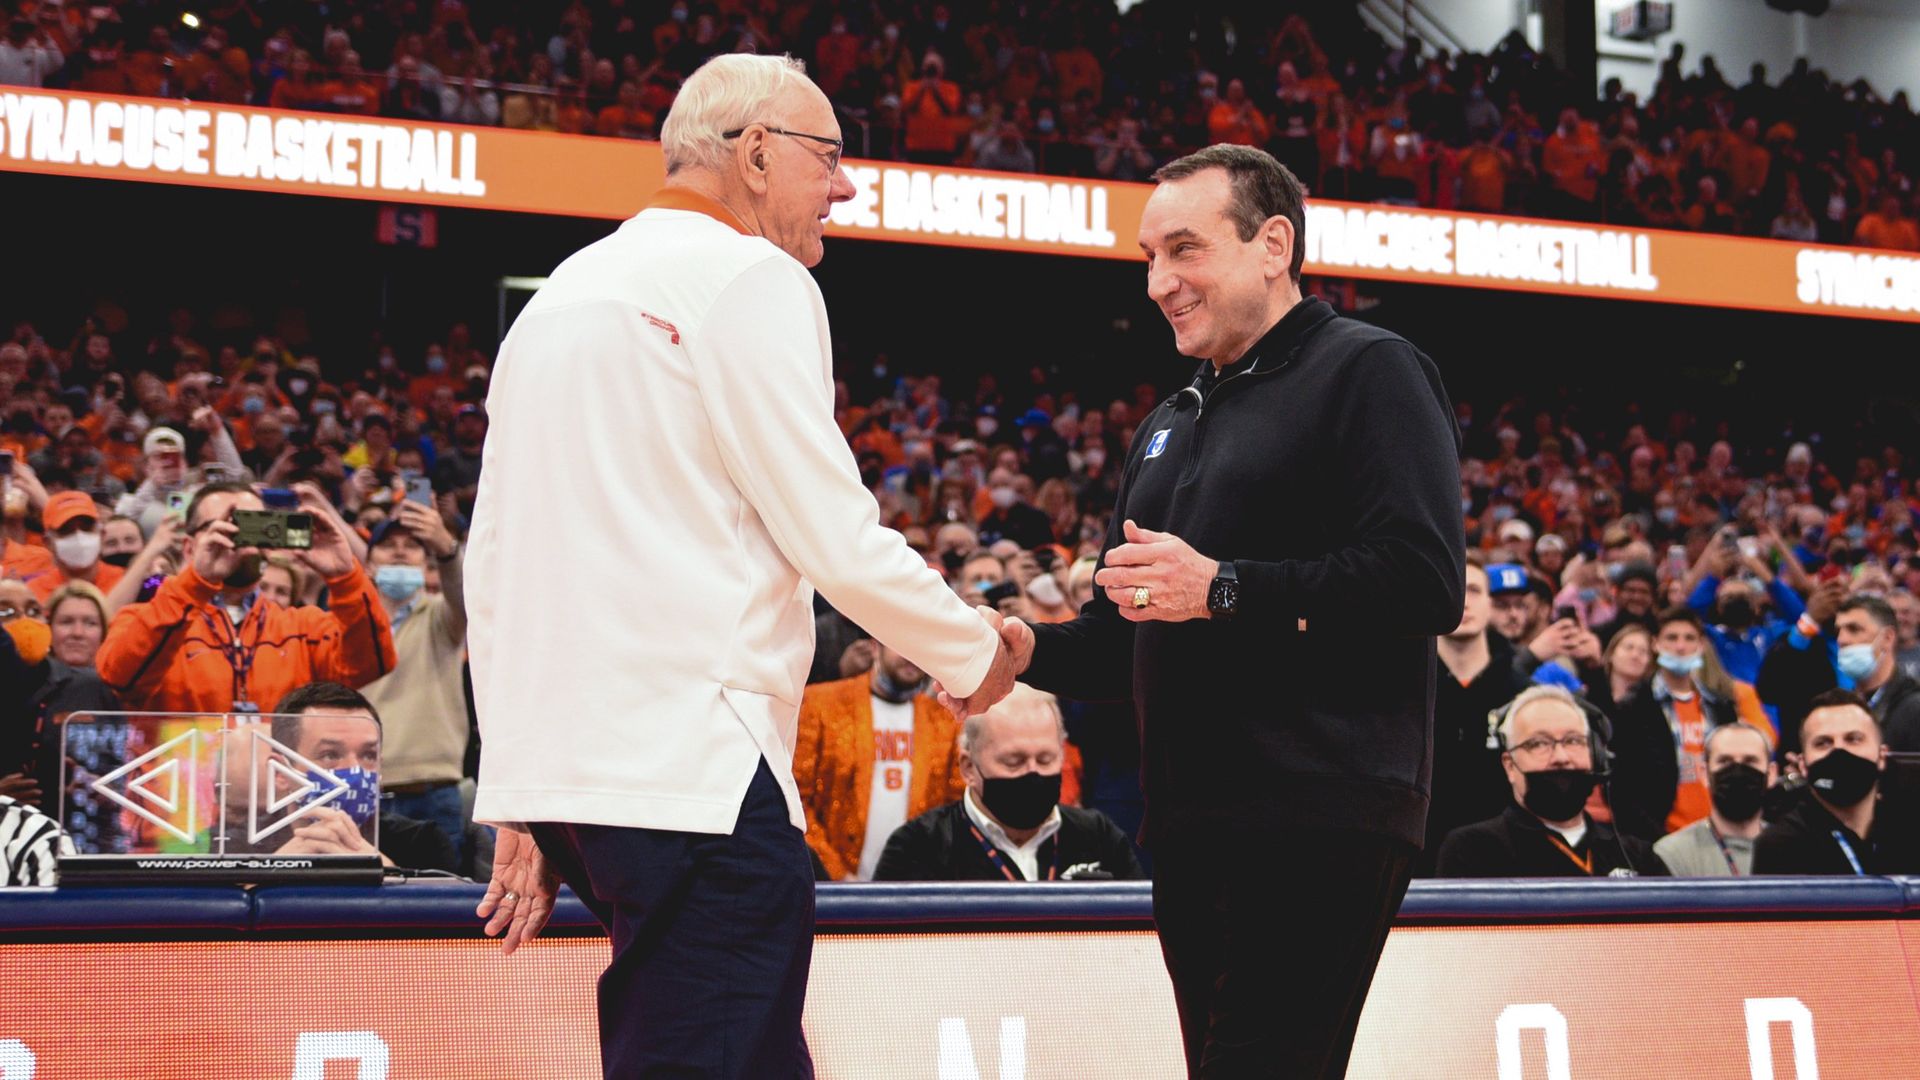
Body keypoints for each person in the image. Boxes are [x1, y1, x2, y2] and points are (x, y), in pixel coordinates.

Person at [467, 54, 1025, 1080]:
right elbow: (831, 529)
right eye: (832, 158)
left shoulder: (559, 294)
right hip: (694, 771)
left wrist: (520, 783)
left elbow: (495, 557)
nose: (847, 188)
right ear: (758, 153)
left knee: (739, 1048)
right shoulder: (750, 277)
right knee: (718, 1049)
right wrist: (975, 654)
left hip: (581, 782)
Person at [987, 145, 1465, 1078]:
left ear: (1273, 243)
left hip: (1322, 807)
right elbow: (1127, 635)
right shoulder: (1169, 419)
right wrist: (1023, 648)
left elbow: (1421, 580)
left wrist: (1223, 588)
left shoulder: (1371, 369)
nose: (1160, 281)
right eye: (1148, 258)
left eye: (1185, 250)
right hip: (1195, 820)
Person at [94, 482, 396, 713]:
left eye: (252, 525)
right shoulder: (141, 617)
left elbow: (372, 664)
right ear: (189, 548)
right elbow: (120, 677)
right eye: (225, 526)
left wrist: (345, 578)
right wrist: (194, 584)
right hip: (178, 792)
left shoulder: (304, 627)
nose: (239, 540)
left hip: (278, 790)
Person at [873, 685, 1141, 881]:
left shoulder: (1099, 836)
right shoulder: (918, 846)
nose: (1033, 773)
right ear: (968, 767)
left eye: (1046, 759)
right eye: (1014, 762)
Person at [1436, 686, 1668, 878]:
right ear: (1509, 765)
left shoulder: (1638, 855)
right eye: (1539, 744)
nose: (1561, 757)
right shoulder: (1473, 850)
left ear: (1596, 756)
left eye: (1573, 741)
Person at [230, 680, 457, 873]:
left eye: (368, 755)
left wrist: (385, 872)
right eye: (330, 755)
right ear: (281, 773)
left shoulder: (422, 844)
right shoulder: (235, 848)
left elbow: (447, 921)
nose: (355, 771)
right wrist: (272, 872)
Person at [793, 643, 966, 881]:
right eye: (901, 642)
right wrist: (834, 872)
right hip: (828, 888)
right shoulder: (820, 703)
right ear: (875, 646)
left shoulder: (946, 720)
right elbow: (795, 799)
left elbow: (956, 806)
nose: (912, 657)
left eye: (922, 646)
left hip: (916, 887)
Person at [359, 500, 469, 868]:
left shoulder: (443, 617)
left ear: (427, 565)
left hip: (433, 790)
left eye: (412, 545)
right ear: (369, 564)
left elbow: (468, 595)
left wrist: (446, 549)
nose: (401, 551)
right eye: (389, 545)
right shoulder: (346, 622)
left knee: (445, 917)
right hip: (362, 791)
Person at [1423, 558, 1527, 873]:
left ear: (1490, 605)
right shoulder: (1402, 689)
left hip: (1506, 862)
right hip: (1419, 862)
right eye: (1454, 587)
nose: (1463, 601)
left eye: (1474, 589)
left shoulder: (1524, 693)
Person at [1753, 690, 1920, 874]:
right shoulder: (1780, 846)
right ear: (1803, 764)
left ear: (1882, 756)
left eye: (1853, 739)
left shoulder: (1911, 833)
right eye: (1823, 743)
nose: (1839, 750)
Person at [1649, 607, 1774, 833]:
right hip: (1663, 833)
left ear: (1701, 645)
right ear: (1655, 643)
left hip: (1719, 828)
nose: (1680, 646)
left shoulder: (1721, 705)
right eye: (1671, 638)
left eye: (1689, 638)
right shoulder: (1634, 708)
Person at [1653, 723, 1774, 875]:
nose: (1737, 772)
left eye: (1750, 761)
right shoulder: (1671, 854)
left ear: (1772, 773)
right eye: (1725, 761)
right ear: (1704, 774)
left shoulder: (1793, 847)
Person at [30, 491, 124, 603]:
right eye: (66, 530)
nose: (79, 536)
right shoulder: (32, 594)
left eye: (86, 528)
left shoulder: (125, 582)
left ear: (102, 534)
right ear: (48, 543)